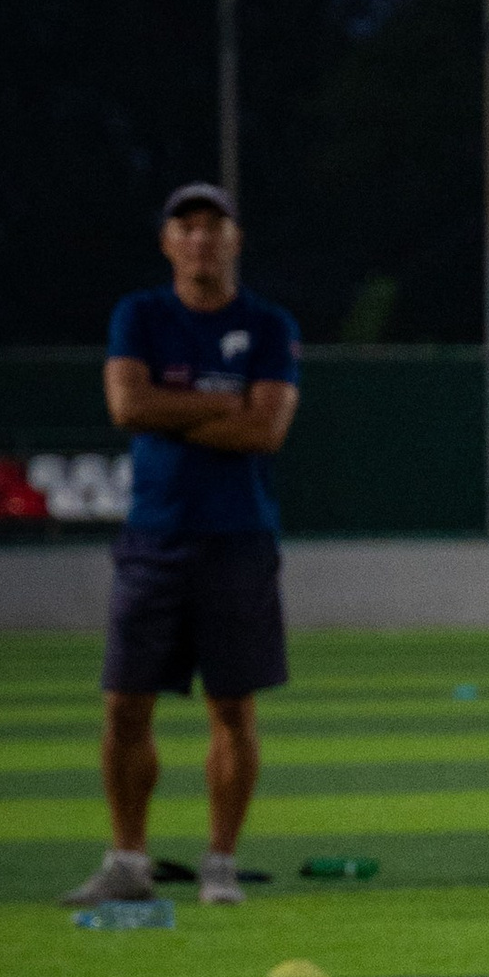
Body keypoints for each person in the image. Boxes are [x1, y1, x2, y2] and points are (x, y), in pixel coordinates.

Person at [63, 183, 301, 911]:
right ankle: (128, 858)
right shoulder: (140, 315)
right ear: (168, 242)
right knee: (125, 705)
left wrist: (173, 414)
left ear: (236, 239)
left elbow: (265, 431)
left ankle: (220, 863)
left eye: (214, 226)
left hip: (238, 537)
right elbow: (126, 406)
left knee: (233, 708)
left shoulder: (266, 323)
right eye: (186, 226)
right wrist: (218, 403)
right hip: (155, 537)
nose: (200, 238)